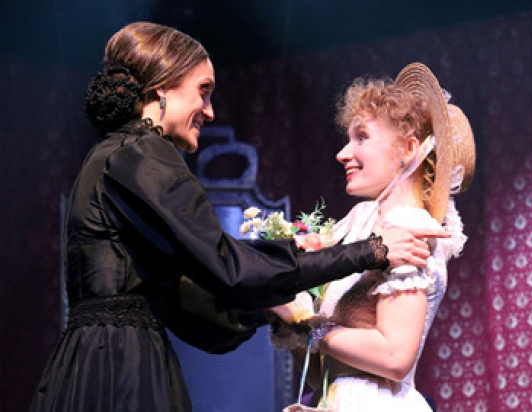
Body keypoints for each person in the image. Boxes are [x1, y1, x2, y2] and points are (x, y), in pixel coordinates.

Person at [29, 23, 445, 412]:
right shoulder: (142, 154)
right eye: (203, 91)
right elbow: (229, 267)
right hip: (122, 363)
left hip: (90, 358)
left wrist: (272, 300)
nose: (209, 111)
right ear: (161, 90)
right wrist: (370, 251)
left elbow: (190, 301)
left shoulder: (111, 155)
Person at [270, 63, 475, 411]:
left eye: (361, 137)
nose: (342, 153)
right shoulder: (362, 223)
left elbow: (395, 356)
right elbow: (324, 372)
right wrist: (289, 315)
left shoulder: (409, 225)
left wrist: (309, 326)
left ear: (408, 149)